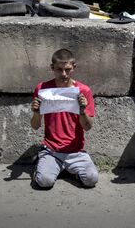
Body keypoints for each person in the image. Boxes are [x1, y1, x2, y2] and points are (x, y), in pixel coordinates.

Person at [30, 48, 99, 188]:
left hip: (75, 151)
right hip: (51, 150)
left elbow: (88, 126)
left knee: (91, 179)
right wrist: (36, 112)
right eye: (59, 69)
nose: (63, 74)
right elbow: (35, 126)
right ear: (52, 68)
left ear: (74, 67)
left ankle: (66, 169)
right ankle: (46, 164)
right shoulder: (43, 89)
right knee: (44, 182)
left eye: (67, 69)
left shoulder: (83, 91)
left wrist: (82, 110)